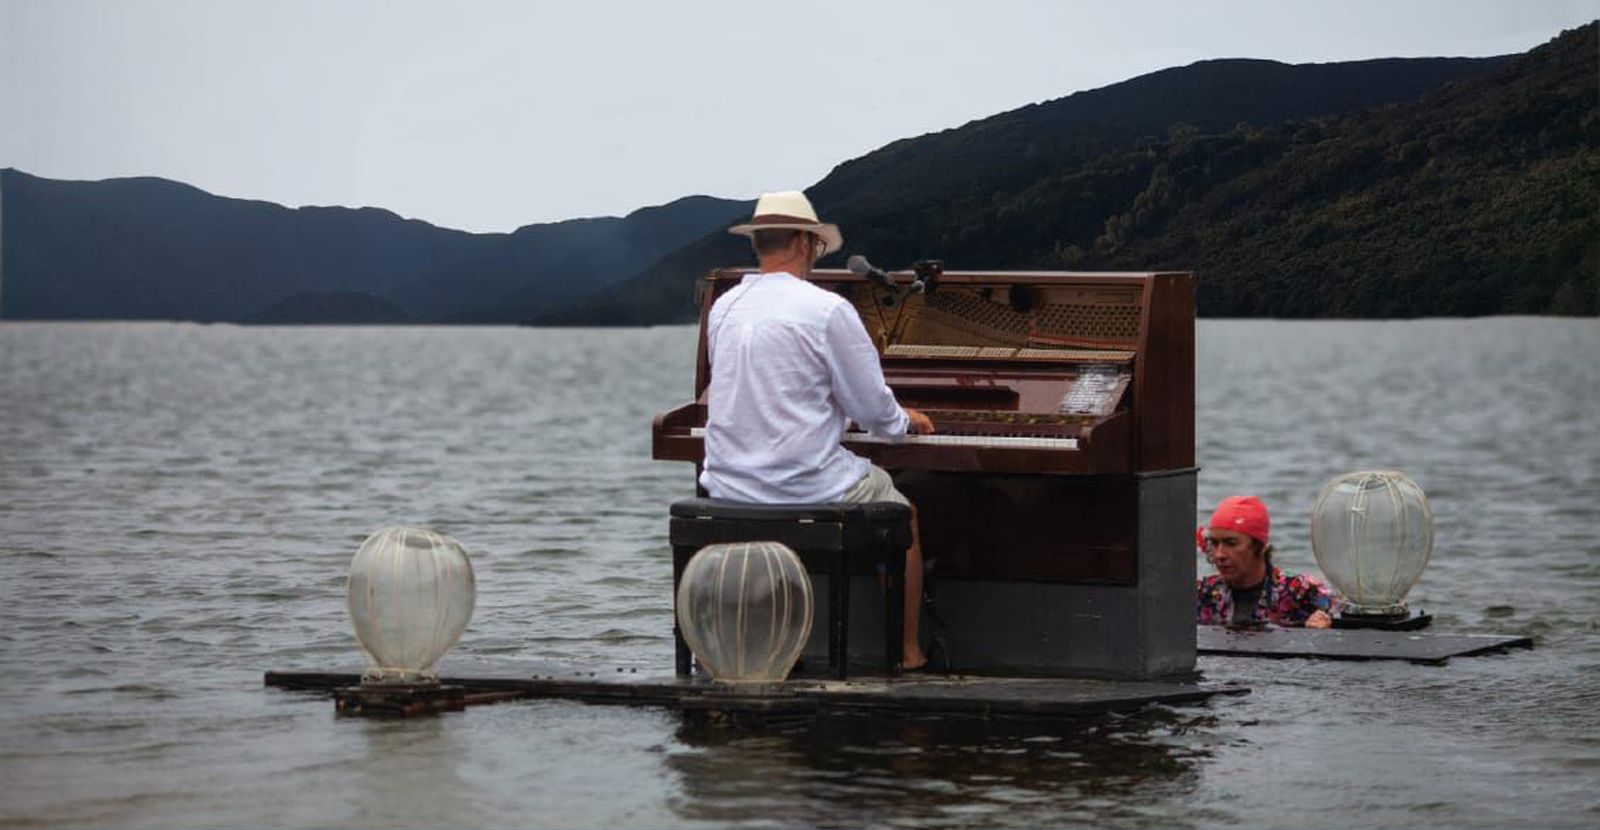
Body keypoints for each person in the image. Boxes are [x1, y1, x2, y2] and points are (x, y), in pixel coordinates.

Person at [700, 190, 935, 670]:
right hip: (803, 485)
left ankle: (741, 651)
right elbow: (877, 415)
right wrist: (905, 418)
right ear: (807, 243)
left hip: (727, 484)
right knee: (901, 511)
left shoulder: (724, 306)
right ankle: (907, 654)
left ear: (760, 244)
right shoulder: (827, 310)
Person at [1196, 495, 1335, 628]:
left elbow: (1344, 616)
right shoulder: (1202, 594)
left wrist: (1320, 624)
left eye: (1231, 543)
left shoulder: (1301, 592)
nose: (1219, 554)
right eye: (1214, 543)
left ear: (1261, 546)